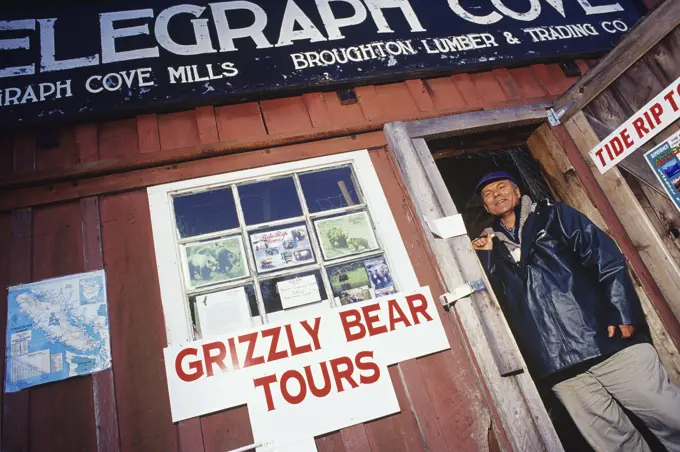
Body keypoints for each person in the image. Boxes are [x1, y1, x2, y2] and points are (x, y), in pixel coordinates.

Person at [471, 170, 680, 452]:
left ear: (518, 191)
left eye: (501, 187)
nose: (495, 194)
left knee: (670, 418)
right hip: (559, 367)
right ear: (486, 207)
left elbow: (605, 258)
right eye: (488, 194)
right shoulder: (490, 248)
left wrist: (622, 313)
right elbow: (498, 304)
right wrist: (485, 257)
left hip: (608, 342)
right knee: (615, 444)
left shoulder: (554, 216)